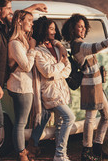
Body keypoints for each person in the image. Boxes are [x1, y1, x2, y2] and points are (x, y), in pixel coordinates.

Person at [0, 0, 61, 161]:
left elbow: (19, 17)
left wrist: (34, 6)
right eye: (8, 8)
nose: (11, 12)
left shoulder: (0, 25)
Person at [61, 14, 108, 161]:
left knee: (107, 116)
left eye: (84, 26)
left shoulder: (80, 43)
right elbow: (97, 47)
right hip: (89, 85)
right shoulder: (77, 45)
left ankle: (97, 148)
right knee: (90, 119)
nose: (83, 29)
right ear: (73, 28)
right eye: (80, 26)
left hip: (96, 84)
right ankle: (86, 151)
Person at [27, 16, 75, 161]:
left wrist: (58, 70)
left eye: (55, 29)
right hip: (50, 92)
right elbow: (47, 72)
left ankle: (58, 154)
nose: (54, 31)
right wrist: (61, 65)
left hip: (61, 89)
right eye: (51, 29)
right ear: (43, 30)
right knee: (69, 117)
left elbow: (68, 70)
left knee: (60, 122)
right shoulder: (38, 51)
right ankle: (60, 154)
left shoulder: (56, 47)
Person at [6, 10, 36, 161]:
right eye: (29, 20)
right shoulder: (15, 43)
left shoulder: (22, 40)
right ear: (19, 22)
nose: (31, 23)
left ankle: (22, 151)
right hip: (20, 86)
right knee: (20, 123)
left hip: (23, 86)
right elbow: (26, 66)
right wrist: (32, 49)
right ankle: (21, 154)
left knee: (21, 122)